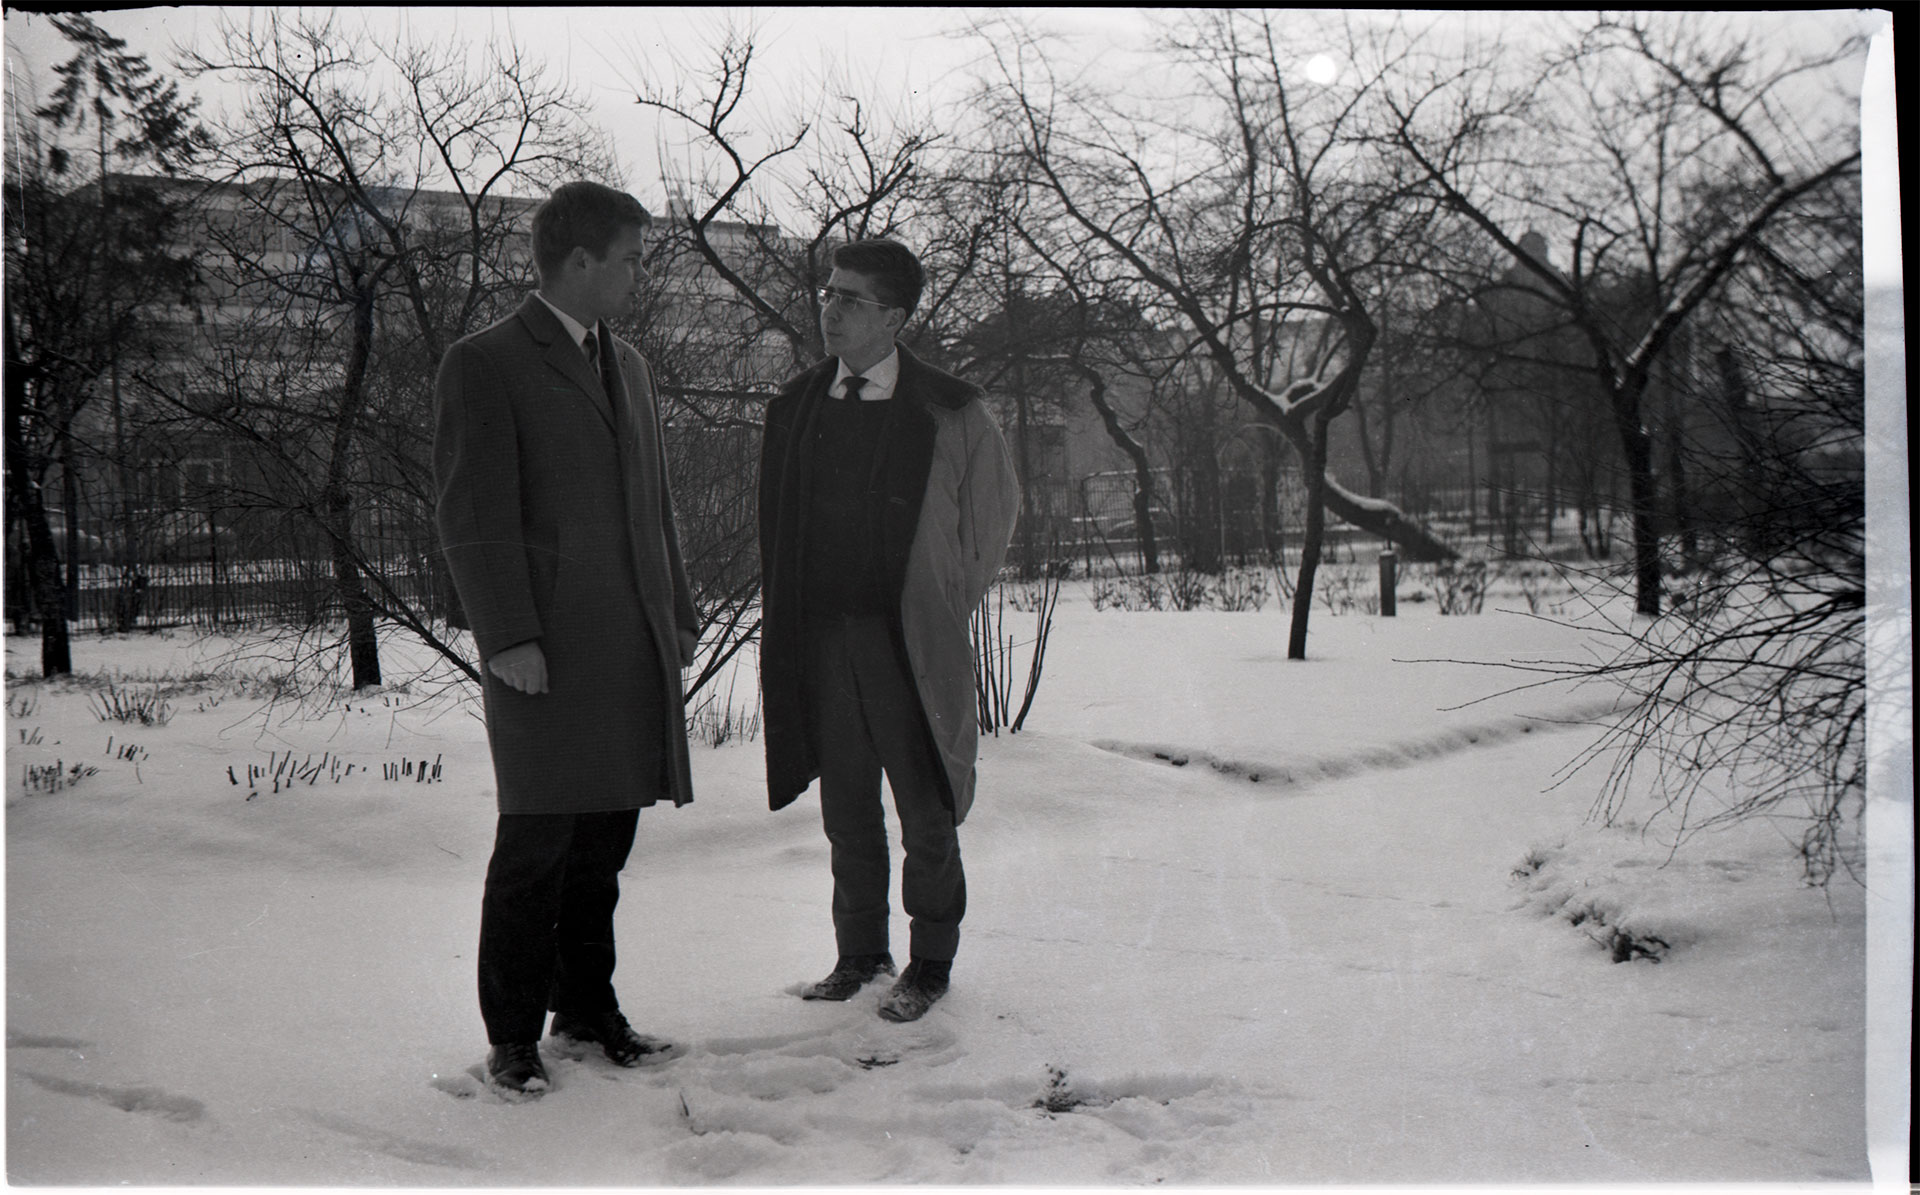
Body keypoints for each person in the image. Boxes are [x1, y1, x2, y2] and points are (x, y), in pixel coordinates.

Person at [433, 180, 699, 1099]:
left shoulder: (628, 364)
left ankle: (586, 1009)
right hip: (544, 652)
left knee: (602, 850)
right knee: (535, 851)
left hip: (626, 646)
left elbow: (654, 506)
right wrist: (507, 634)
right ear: (578, 261)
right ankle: (512, 1038)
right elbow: (473, 514)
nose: (637, 272)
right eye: (628, 257)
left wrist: (680, 610)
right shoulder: (487, 361)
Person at [757, 239, 1020, 1023]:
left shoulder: (953, 408)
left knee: (925, 804)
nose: (829, 309)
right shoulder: (797, 406)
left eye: (850, 299)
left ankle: (930, 959)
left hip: (909, 643)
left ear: (896, 317)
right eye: (828, 293)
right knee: (846, 805)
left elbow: (991, 523)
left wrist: (935, 604)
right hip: (826, 639)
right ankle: (860, 952)